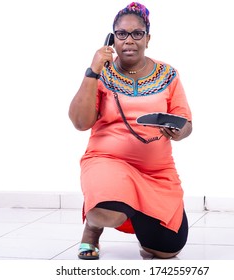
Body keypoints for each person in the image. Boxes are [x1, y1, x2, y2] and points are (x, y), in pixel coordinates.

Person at [69, 2, 192, 260]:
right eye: (122, 34)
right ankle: (93, 228)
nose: (129, 40)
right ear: (112, 39)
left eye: (137, 33)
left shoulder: (168, 74)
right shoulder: (101, 74)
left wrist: (178, 131)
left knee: (168, 248)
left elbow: (186, 122)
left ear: (148, 38)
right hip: (108, 162)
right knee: (109, 211)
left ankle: (135, 211)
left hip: (156, 173)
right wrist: (92, 72)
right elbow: (80, 123)